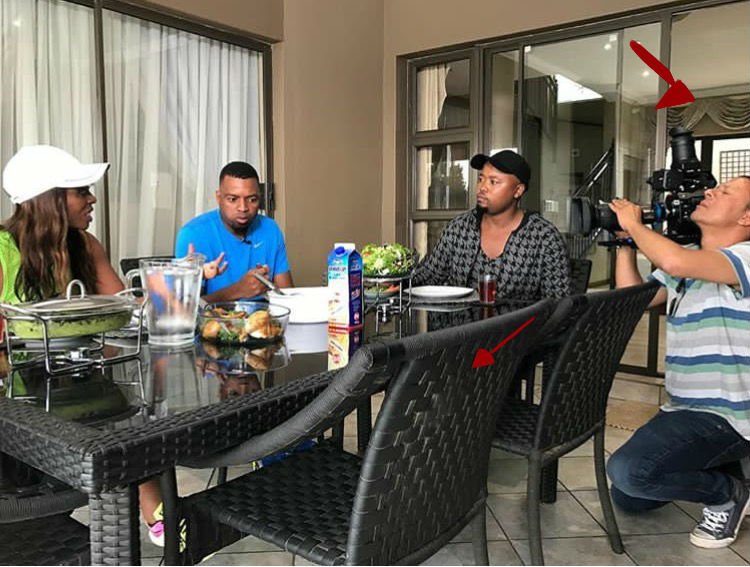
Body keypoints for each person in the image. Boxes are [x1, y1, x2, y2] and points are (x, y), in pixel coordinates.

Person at [0, 145, 166, 547]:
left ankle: (159, 515)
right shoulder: (3, 252)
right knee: (115, 425)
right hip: (16, 403)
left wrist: (162, 295)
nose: (92, 199)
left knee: (134, 416)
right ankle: (158, 515)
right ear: (50, 199)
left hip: (79, 382)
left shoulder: (85, 245)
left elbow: (124, 307)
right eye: (81, 191)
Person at [606, 175, 750, 549]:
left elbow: (675, 261)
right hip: (683, 409)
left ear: (746, 217)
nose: (710, 191)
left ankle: (728, 493)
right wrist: (624, 242)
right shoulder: (689, 259)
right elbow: (632, 298)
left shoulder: (745, 258)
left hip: (729, 415)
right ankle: (727, 467)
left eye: (725, 191)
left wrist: (635, 224)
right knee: (629, 495)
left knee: (629, 471)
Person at [411, 150, 571, 300]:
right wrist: (399, 279)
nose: (482, 188)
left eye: (493, 182)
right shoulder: (459, 228)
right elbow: (428, 276)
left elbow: (559, 305)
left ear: (518, 190)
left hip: (518, 322)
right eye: (481, 179)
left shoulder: (544, 238)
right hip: (460, 321)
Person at [175, 161, 292, 301]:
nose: (243, 208)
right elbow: (184, 307)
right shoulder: (193, 235)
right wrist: (238, 290)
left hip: (265, 314)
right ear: (219, 198)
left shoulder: (270, 229)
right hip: (213, 315)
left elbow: (288, 298)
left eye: (252, 199)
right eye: (232, 199)